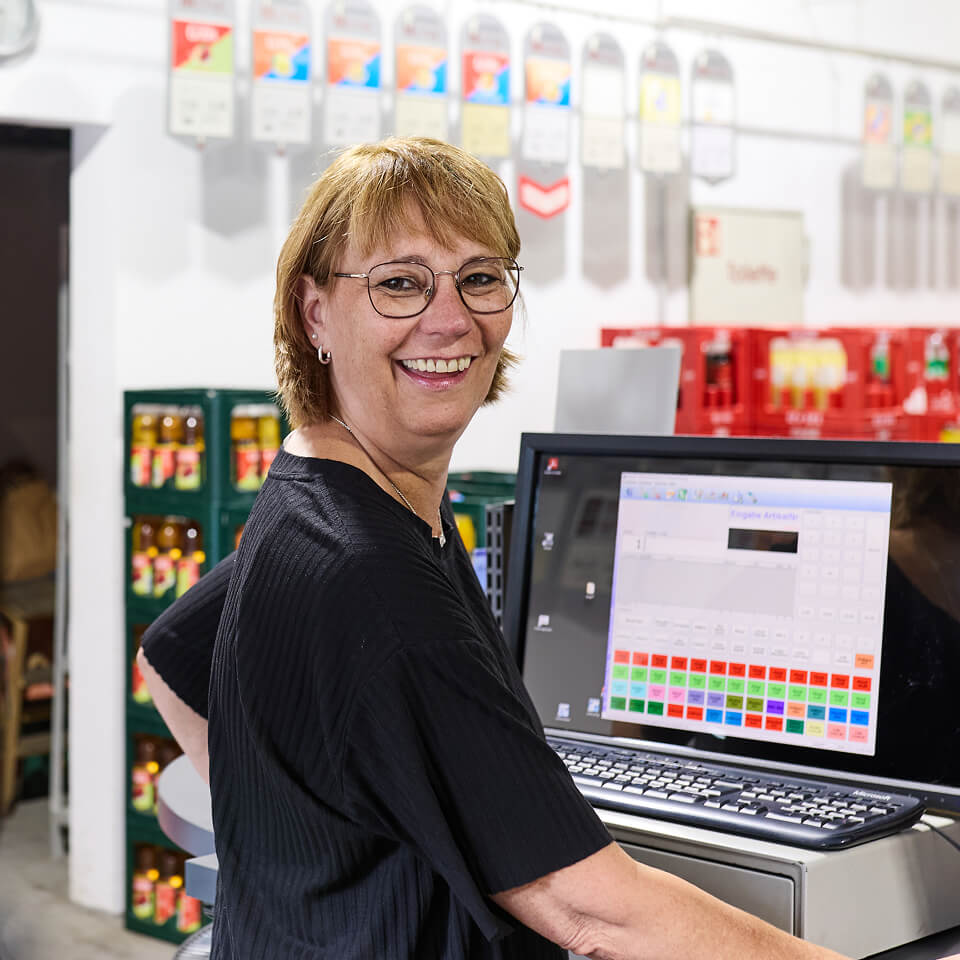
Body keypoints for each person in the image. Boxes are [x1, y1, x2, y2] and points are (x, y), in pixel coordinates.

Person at [139, 136, 847, 960]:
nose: (450, 320)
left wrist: (305, 854)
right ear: (314, 313)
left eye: (479, 278)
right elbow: (595, 914)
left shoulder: (321, 496)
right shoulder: (377, 582)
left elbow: (169, 655)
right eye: (399, 283)